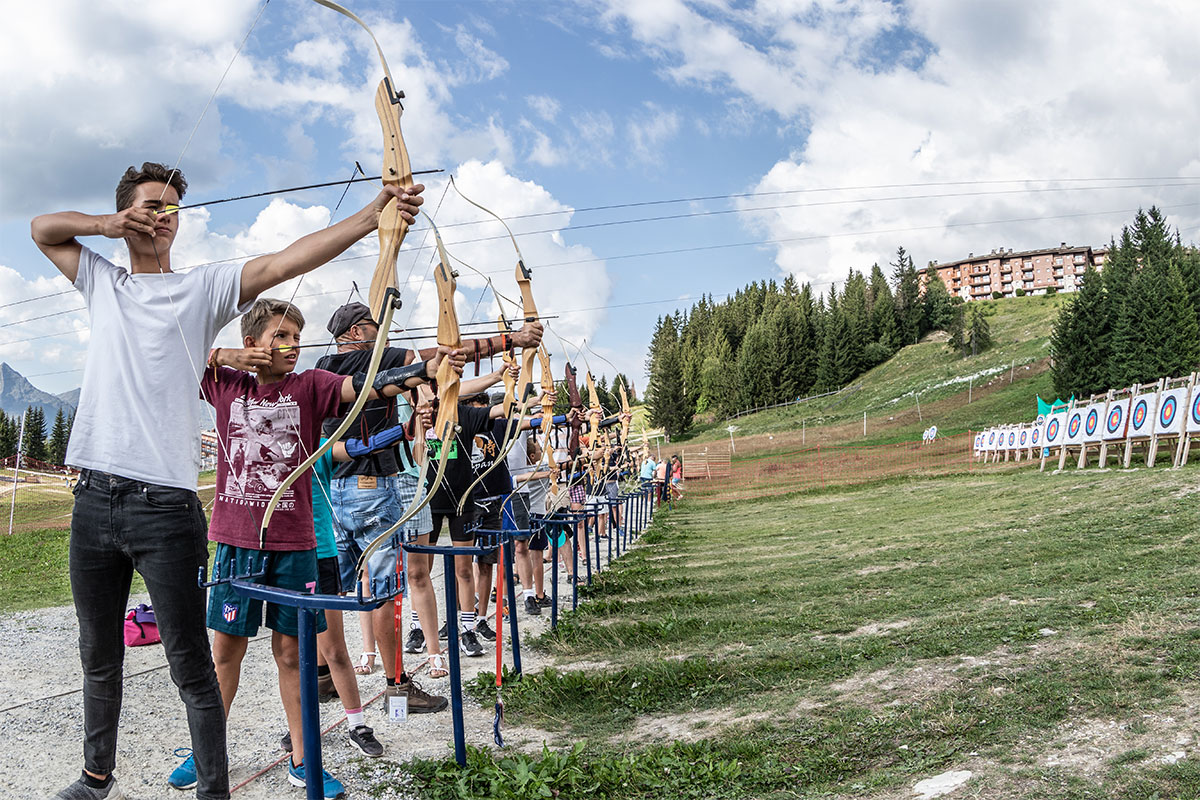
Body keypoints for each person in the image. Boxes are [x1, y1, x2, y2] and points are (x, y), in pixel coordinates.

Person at [32, 161, 423, 800]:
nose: (161, 216)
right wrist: (107, 224)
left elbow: (286, 261)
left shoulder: (203, 288)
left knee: (192, 661)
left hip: (164, 504)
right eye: (149, 205)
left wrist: (372, 215)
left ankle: (215, 790)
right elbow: (42, 229)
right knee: (98, 653)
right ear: (127, 212)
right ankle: (94, 777)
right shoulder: (103, 280)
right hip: (94, 494)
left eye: (170, 209)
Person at [193, 298, 457, 797]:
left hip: (295, 543)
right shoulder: (225, 383)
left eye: (297, 335)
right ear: (252, 343)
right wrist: (227, 355)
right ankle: (206, 752)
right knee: (224, 654)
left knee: (293, 656)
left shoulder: (309, 386)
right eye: (281, 336)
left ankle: (302, 757)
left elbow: (365, 386)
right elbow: (174, 350)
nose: (293, 346)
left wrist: (428, 368)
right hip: (235, 539)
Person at [315, 304, 537, 696]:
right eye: (372, 325)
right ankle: (396, 685)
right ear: (352, 333)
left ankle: (323, 679)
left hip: (337, 490)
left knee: (333, 589)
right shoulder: (372, 358)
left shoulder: (322, 368)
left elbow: (444, 382)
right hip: (376, 487)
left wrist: (500, 375)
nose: (381, 331)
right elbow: (445, 356)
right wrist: (512, 341)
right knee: (384, 590)